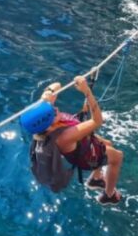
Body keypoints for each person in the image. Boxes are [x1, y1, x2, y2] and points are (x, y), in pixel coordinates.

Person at [39, 75, 124, 205]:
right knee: (117, 157)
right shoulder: (63, 137)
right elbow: (97, 121)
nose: (56, 108)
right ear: (49, 125)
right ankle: (109, 195)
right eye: (53, 112)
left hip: (84, 143)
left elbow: (57, 85)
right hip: (88, 157)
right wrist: (87, 92)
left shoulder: (46, 118)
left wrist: (47, 94)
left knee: (108, 144)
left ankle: (95, 179)